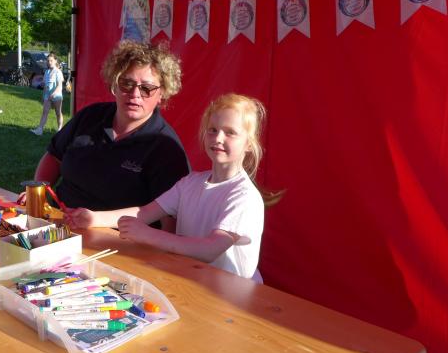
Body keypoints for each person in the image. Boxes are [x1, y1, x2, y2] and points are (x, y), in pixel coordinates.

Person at [66, 94, 267, 280]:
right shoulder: (190, 182)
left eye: (230, 133)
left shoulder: (244, 197)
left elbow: (209, 250)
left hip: (231, 297)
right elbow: (145, 212)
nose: (218, 138)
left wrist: (148, 235)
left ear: (249, 144)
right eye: (213, 130)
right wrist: (94, 218)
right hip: (192, 282)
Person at [26, 40, 190, 213]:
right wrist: (38, 197)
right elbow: (54, 157)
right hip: (57, 222)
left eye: (146, 88)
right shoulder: (90, 116)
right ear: (114, 84)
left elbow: (169, 218)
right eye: (126, 83)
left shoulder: (166, 148)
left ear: (162, 94)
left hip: (116, 231)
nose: (135, 94)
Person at [30, 53, 65, 136]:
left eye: (51, 61)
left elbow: (59, 86)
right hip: (47, 95)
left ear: (55, 61)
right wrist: (43, 94)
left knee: (58, 113)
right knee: (44, 112)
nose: (49, 62)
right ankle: (40, 130)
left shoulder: (58, 72)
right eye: (48, 61)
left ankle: (60, 130)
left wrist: (54, 93)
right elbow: (45, 85)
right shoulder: (47, 72)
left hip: (56, 96)